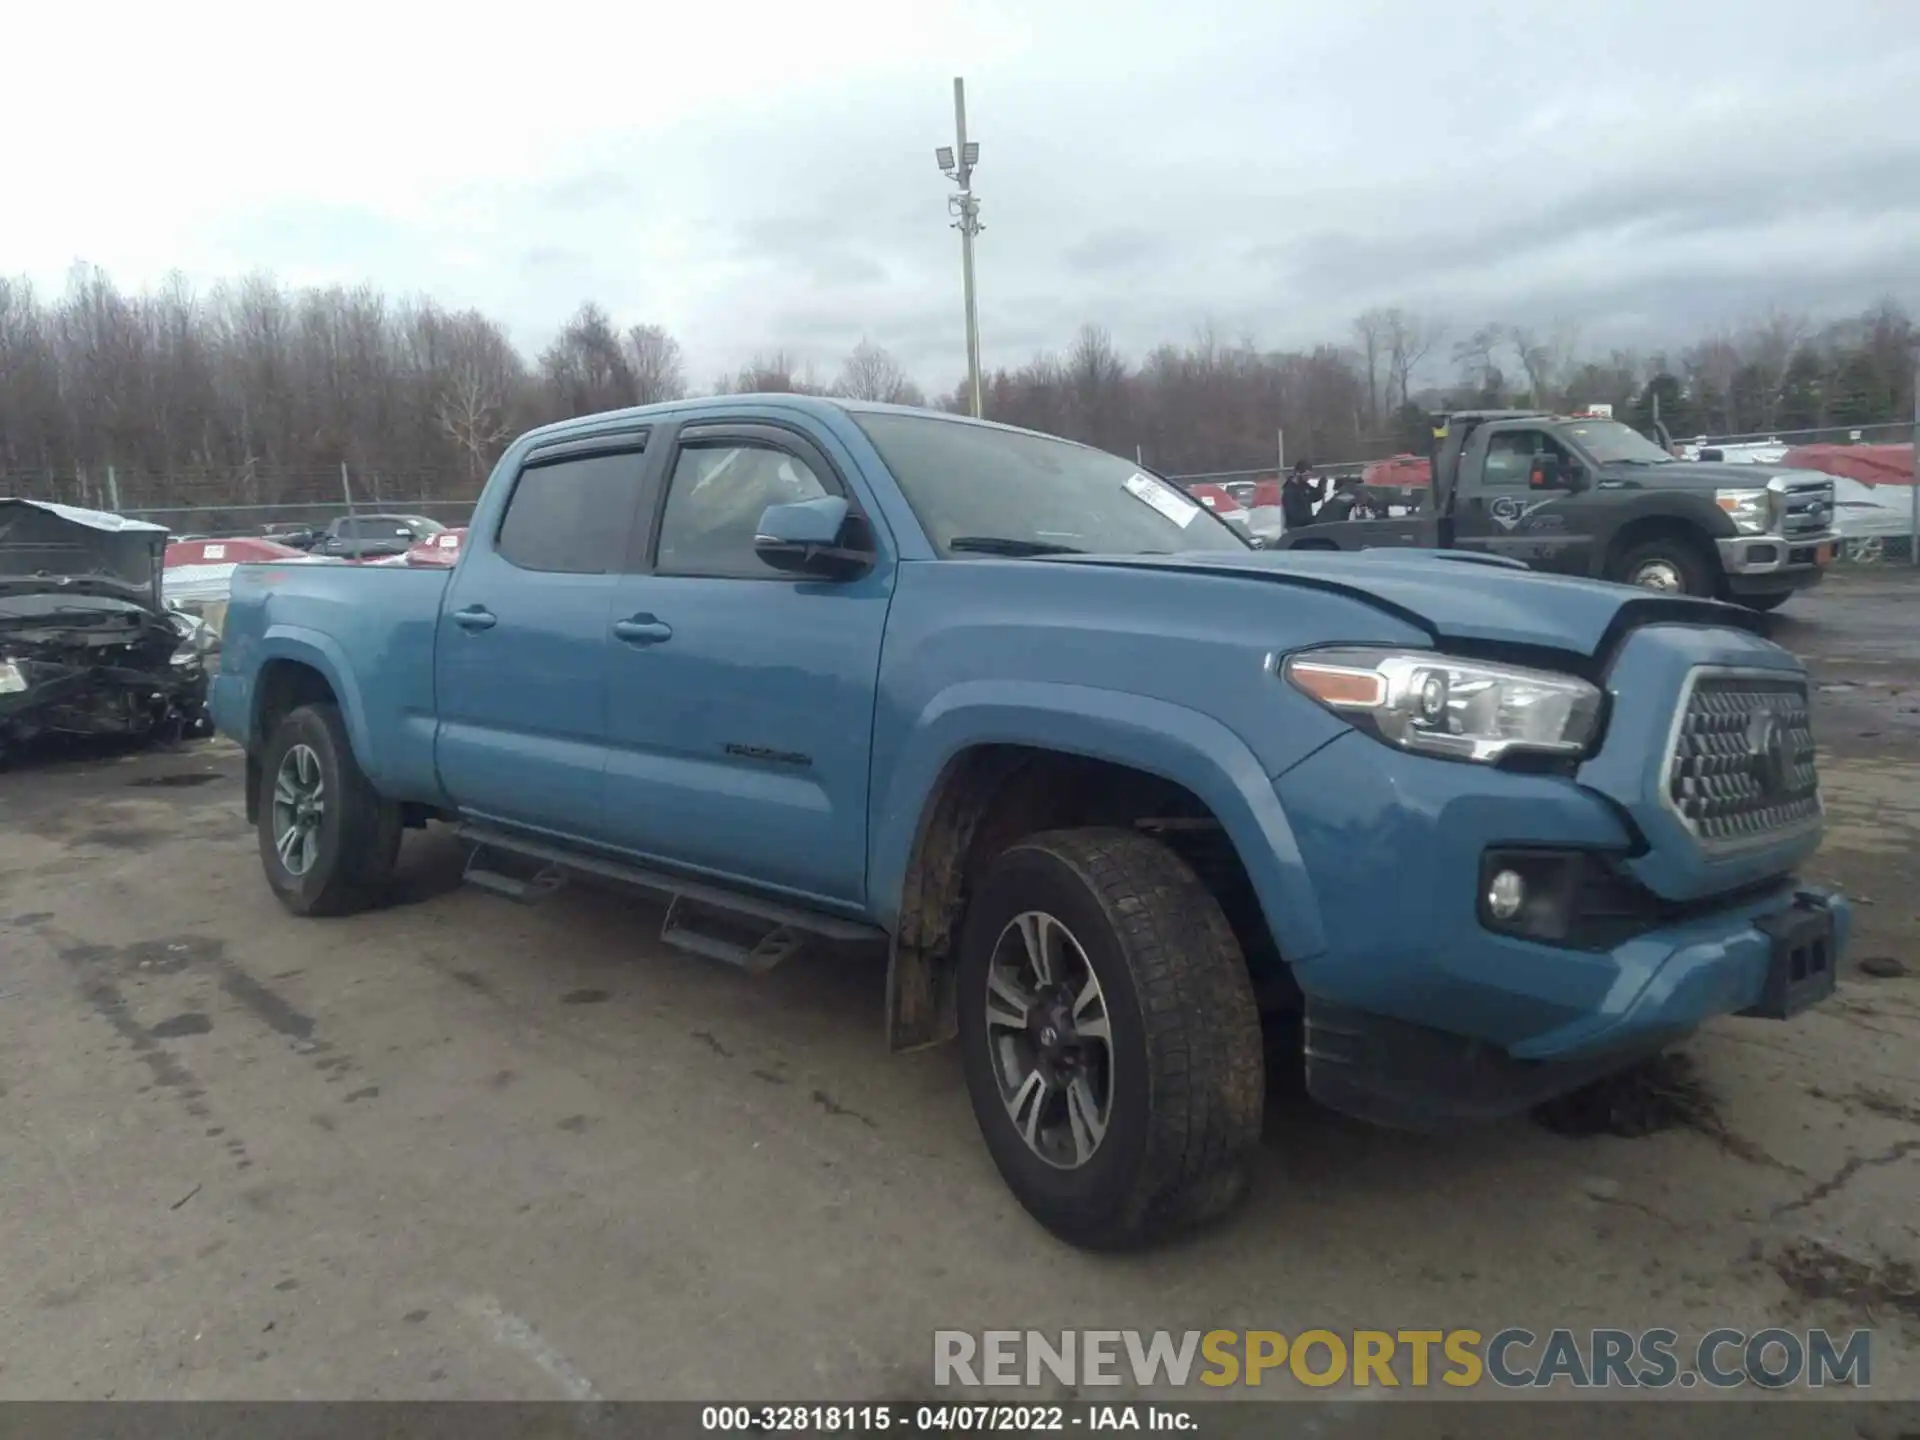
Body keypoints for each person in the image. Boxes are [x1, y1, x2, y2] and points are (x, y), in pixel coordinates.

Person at [1280, 460, 1324, 529]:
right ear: (1298, 473)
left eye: (1309, 475)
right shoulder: (1289, 491)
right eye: (1306, 475)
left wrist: (1320, 487)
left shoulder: (1304, 486)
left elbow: (1314, 497)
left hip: (1307, 526)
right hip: (1296, 529)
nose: (1308, 478)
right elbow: (1293, 514)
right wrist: (1311, 519)